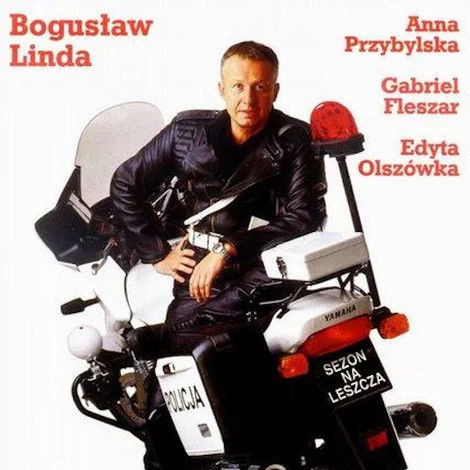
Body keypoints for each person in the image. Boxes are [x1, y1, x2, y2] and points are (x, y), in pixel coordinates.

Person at [110, 41, 327, 469]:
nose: (250, 98)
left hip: (266, 269)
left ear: (275, 91)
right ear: (222, 90)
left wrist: (229, 249)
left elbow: (305, 216)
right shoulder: (185, 133)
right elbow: (125, 182)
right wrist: (157, 252)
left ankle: (197, 454)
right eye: (239, 86)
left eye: (261, 87)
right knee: (191, 356)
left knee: (173, 354)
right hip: (197, 268)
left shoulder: (292, 138)